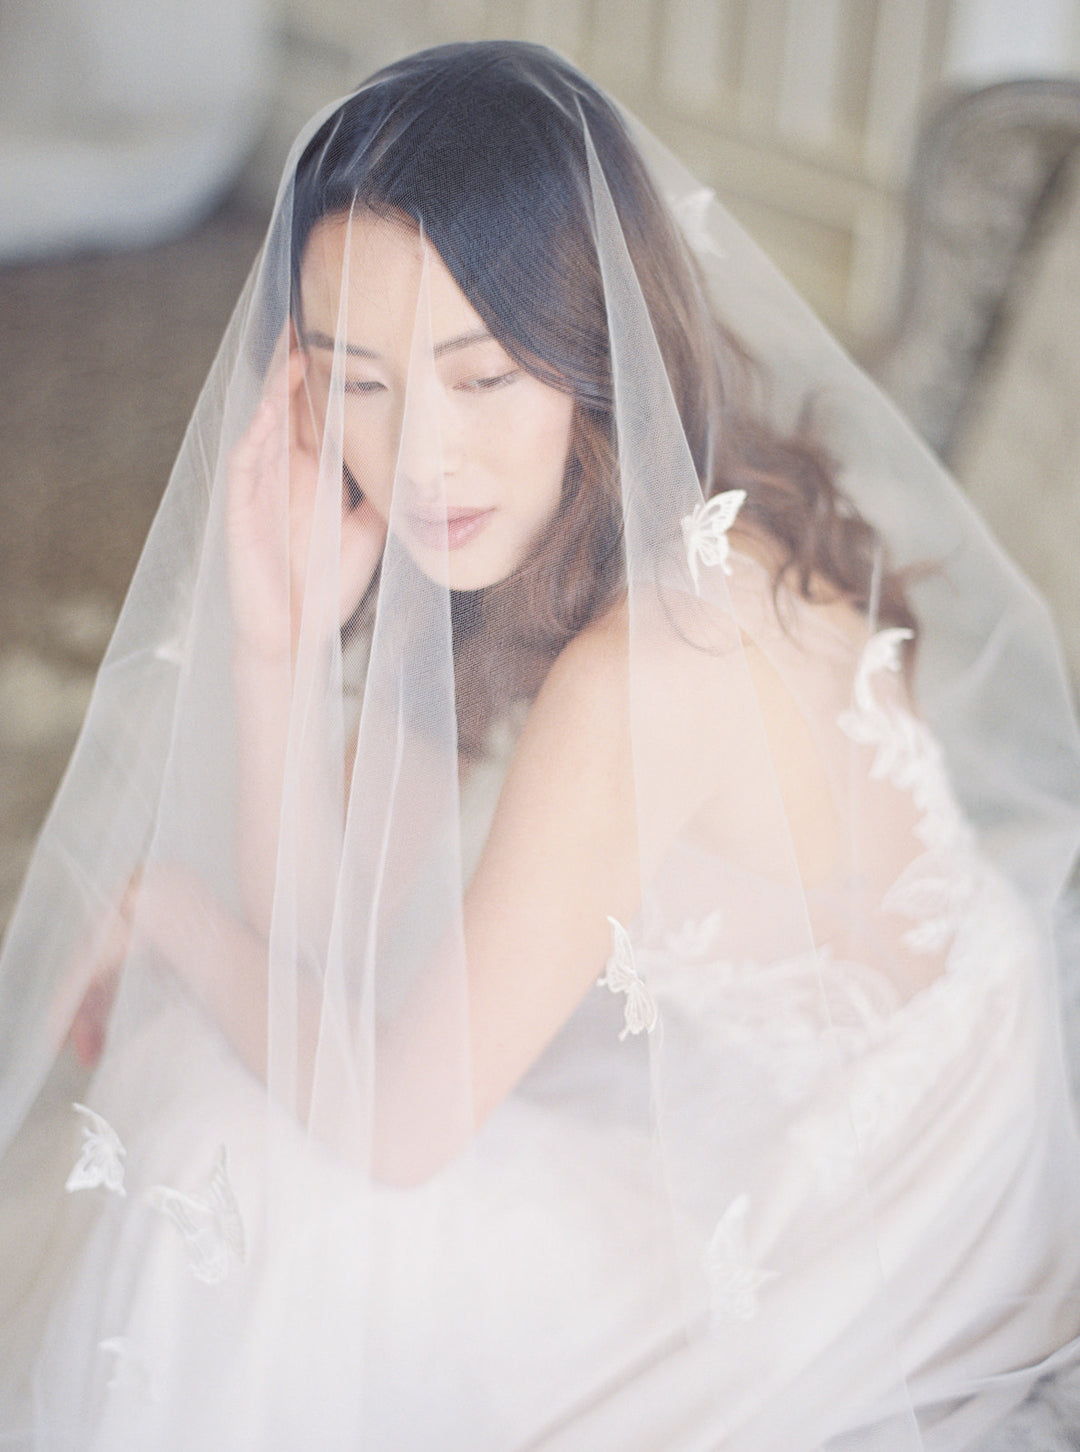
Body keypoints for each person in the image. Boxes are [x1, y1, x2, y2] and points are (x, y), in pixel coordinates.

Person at [2, 40, 1080, 1451]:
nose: (422, 456)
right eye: (359, 380)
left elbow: (392, 1124)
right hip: (788, 1087)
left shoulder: (653, 664)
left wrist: (163, 910)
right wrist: (276, 646)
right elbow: (326, 952)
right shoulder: (559, 522)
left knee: (220, 1150)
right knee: (223, 1108)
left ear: (587, 342)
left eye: (482, 373)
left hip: (893, 1210)